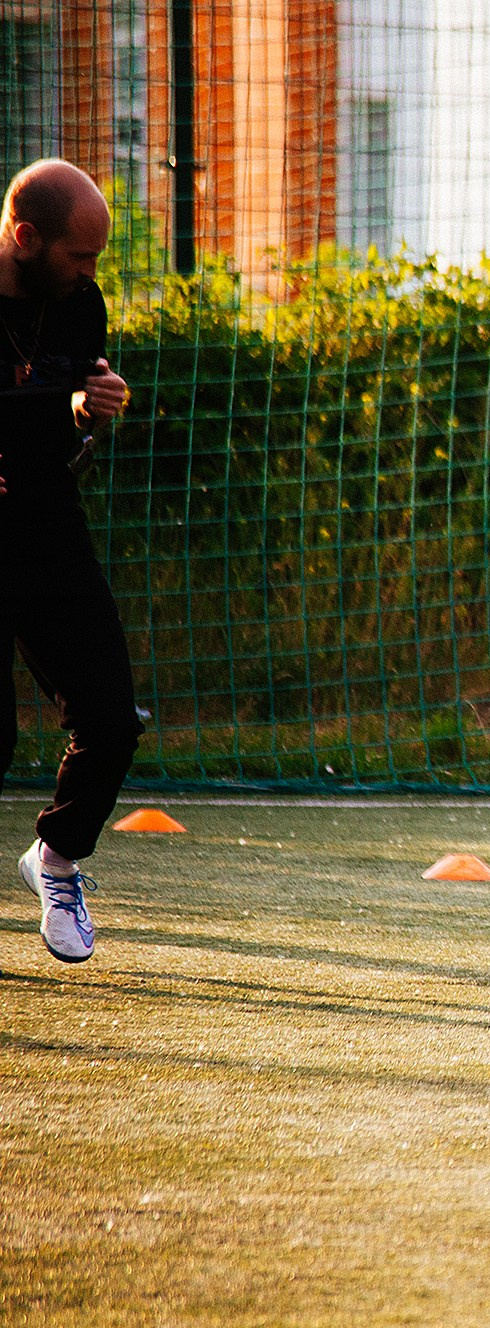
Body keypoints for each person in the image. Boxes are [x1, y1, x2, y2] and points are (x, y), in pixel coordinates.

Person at [1, 159, 139, 965]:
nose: (91, 273)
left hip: (48, 521)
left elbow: (71, 405)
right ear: (26, 238)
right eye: (79, 256)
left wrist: (94, 407)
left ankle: (55, 859)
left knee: (113, 717)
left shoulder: (78, 305)